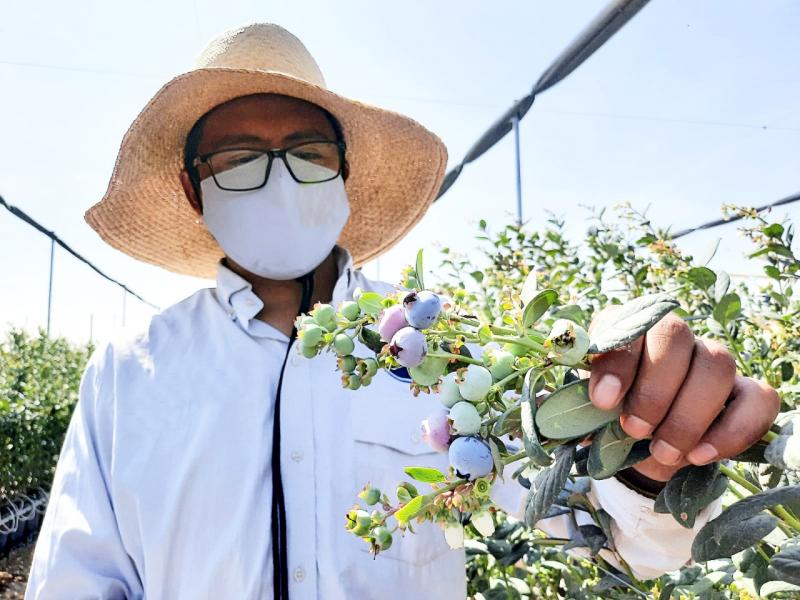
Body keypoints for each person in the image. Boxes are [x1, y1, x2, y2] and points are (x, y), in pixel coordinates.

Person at [25, 23, 779, 600]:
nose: (279, 181)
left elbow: (617, 539)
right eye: (237, 160)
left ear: (343, 177)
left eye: (307, 153)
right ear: (194, 192)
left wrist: (653, 456)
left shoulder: (448, 350)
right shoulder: (130, 374)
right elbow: (77, 580)